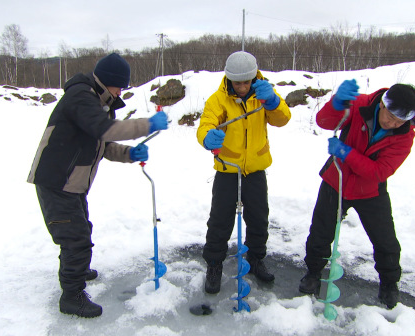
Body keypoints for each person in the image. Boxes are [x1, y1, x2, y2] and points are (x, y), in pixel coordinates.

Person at [27, 53, 168, 318]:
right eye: (120, 86)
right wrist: (147, 124)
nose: (121, 91)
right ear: (109, 81)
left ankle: (78, 270)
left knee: (81, 229)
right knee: (75, 239)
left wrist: (129, 154)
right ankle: (72, 296)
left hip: (73, 182)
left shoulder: (99, 103)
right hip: (57, 180)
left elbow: (101, 144)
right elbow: (105, 130)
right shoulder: (81, 97)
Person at [300, 79, 415, 309]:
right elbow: (323, 121)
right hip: (336, 181)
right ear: (383, 105)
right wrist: (337, 103)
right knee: (321, 232)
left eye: (400, 120)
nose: (393, 123)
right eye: (390, 116)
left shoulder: (404, 135)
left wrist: (346, 152)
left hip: (370, 191)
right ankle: (313, 272)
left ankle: (389, 283)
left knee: (385, 240)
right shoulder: (359, 105)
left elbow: (379, 171)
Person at [196, 51, 291, 294]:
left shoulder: (264, 93)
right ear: (229, 79)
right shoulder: (218, 99)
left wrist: (272, 102)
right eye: (237, 82)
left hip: (256, 170)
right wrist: (207, 137)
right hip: (228, 170)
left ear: (253, 77)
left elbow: (282, 119)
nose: (241, 87)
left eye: (245, 82)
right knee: (219, 220)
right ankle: (214, 265)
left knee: (259, 218)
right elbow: (206, 123)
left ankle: (256, 258)